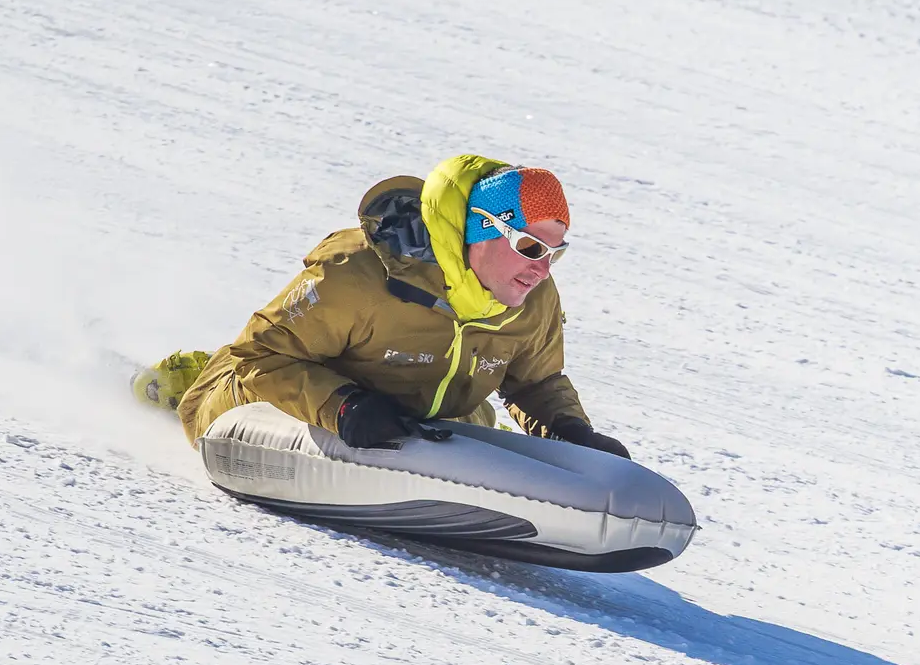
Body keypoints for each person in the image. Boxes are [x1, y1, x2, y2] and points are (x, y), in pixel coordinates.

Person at [134, 154, 630, 459]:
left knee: (476, 423)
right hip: (281, 399)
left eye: (554, 251)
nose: (542, 268)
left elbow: (536, 380)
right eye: (530, 246)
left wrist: (571, 432)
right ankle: (189, 376)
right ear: (484, 229)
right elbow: (260, 358)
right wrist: (344, 405)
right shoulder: (360, 272)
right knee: (217, 398)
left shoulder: (533, 298)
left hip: (414, 419)